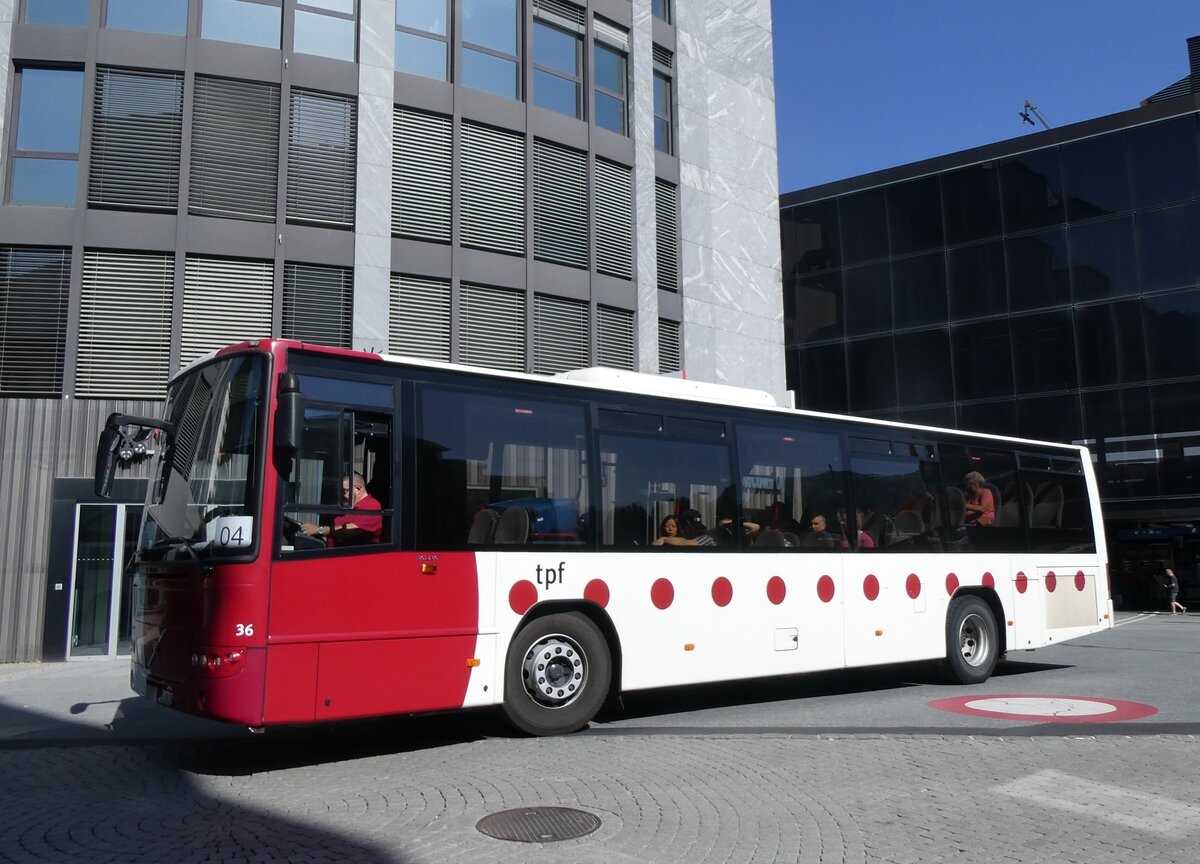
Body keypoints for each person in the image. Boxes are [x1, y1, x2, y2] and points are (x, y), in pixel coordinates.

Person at [301, 473, 383, 546]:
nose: (343, 495)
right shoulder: (348, 507)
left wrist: (319, 530)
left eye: (345, 491)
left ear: (358, 489)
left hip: (355, 556)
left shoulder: (372, 505)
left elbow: (349, 530)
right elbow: (334, 532)